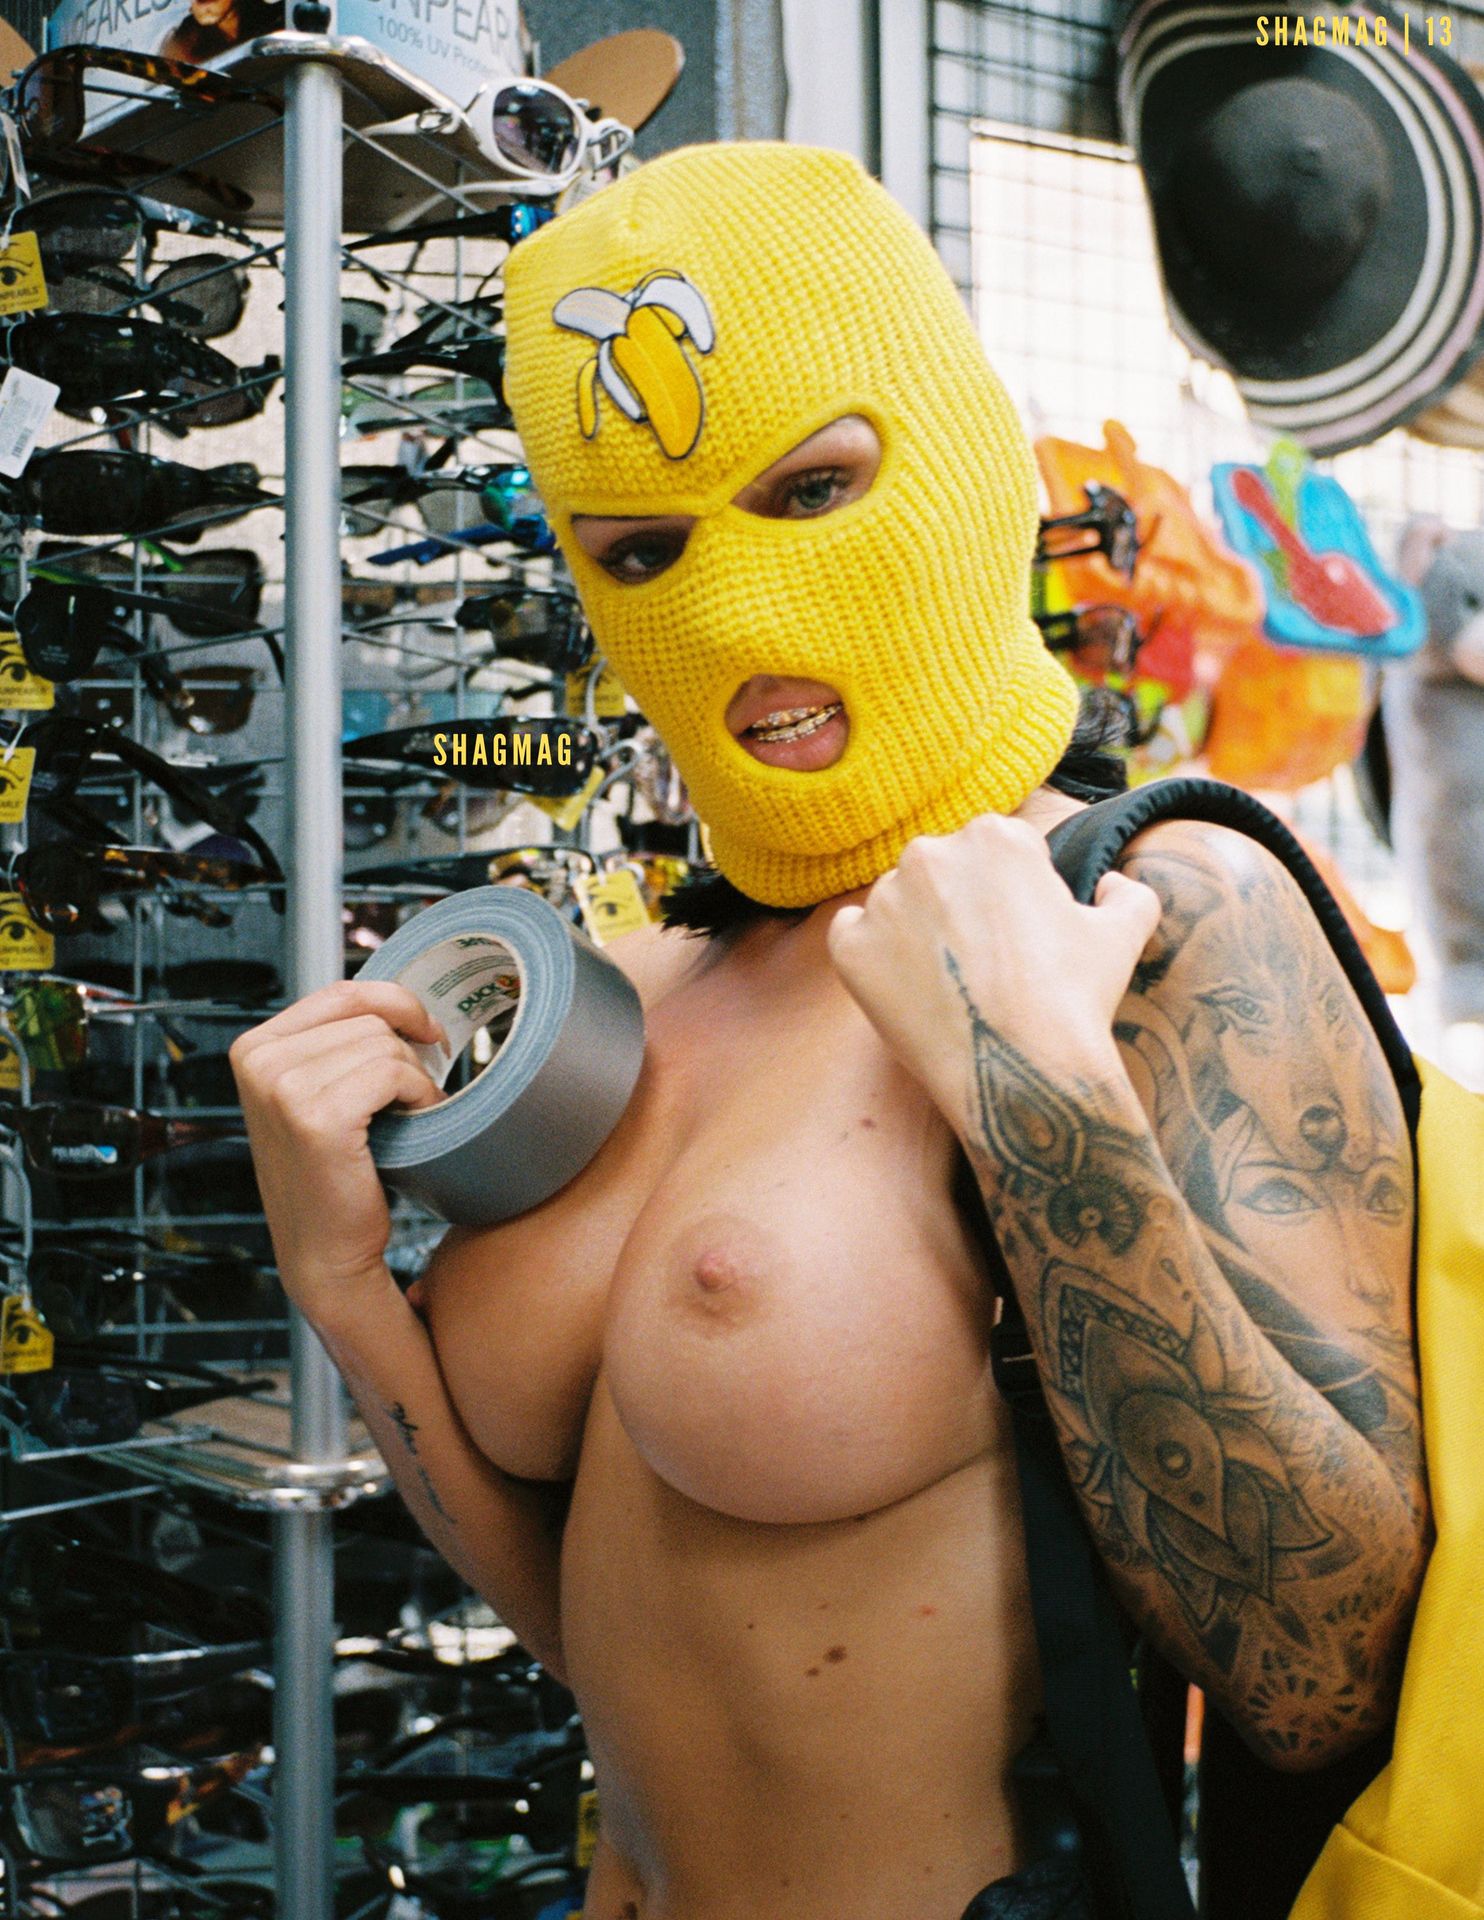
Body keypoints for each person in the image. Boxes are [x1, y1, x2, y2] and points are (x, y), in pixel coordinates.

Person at [232, 144, 1429, 1920]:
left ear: (958, 455)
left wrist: (1042, 1103)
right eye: (643, 550)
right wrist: (341, 1288)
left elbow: (1325, 1672)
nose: (732, 618)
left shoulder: (1150, 918)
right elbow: (613, 1646)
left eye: (811, 490)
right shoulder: (642, 987)